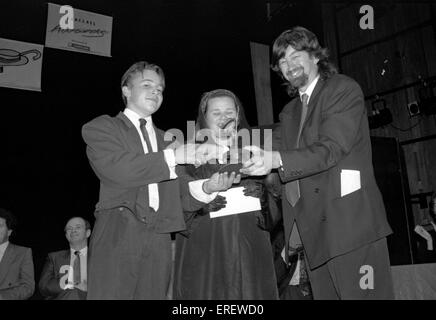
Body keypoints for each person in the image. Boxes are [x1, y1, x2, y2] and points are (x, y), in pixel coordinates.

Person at [241, 26, 394, 299]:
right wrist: (222, 149)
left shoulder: (341, 89)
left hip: (350, 228)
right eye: (283, 62)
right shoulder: (290, 111)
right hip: (314, 237)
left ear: (315, 56)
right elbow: (269, 148)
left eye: (296, 55)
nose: (289, 65)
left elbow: (330, 149)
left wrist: (274, 159)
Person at [81, 61, 237, 299]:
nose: (156, 91)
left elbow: (182, 198)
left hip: (160, 240)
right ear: (125, 90)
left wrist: (207, 187)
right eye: (147, 85)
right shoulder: (102, 127)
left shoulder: (170, 140)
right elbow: (119, 170)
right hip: (117, 232)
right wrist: (174, 156)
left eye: (160, 89)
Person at [173, 89, 279, 300]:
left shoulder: (257, 154)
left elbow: (277, 210)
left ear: (238, 116)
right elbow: (174, 205)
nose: (224, 119)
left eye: (229, 112)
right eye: (216, 113)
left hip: (250, 251)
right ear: (204, 117)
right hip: (207, 252)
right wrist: (201, 209)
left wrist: (264, 199)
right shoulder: (186, 156)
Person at [39, 217, 92, 300]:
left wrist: (87, 286)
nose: (73, 230)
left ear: (88, 233)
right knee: (73, 292)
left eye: (78, 227)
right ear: (66, 235)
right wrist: (70, 283)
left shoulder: (99, 258)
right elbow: (44, 287)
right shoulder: (54, 257)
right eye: (69, 228)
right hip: (64, 297)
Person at [0, 208, 35, 300]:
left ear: (9, 232)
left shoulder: (23, 253)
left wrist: (2, 296)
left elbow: (28, 288)